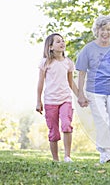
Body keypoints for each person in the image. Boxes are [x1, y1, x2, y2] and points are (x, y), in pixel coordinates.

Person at [76, 14, 110, 164]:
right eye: (102, 29)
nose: (105, 32)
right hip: (94, 91)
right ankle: (105, 153)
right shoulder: (88, 49)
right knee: (102, 121)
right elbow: (81, 73)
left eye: (108, 29)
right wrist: (80, 94)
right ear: (97, 30)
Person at [36, 33, 78, 162]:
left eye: (63, 41)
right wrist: (38, 101)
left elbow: (71, 83)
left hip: (66, 99)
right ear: (50, 47)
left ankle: (67, 156)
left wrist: (80, 97)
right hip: (50, 101)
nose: (62, 43)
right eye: (58, 41)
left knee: (66, 125)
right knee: (54, 131)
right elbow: (40, 83)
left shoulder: (68, 62)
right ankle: (56, 159)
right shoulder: (45, 63)